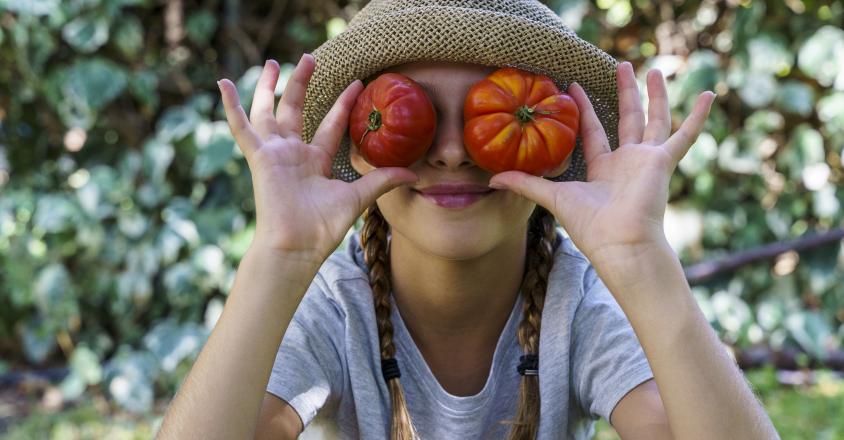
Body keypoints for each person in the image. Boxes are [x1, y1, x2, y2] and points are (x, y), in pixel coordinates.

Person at [158, 1, 778, 439]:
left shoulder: (577, 306)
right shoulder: (335, 309)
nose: (452, 151)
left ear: (558, 146)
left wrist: (642, 258)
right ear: (358, 145)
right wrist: (279, 255)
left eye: (497, 116)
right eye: (415, 119)